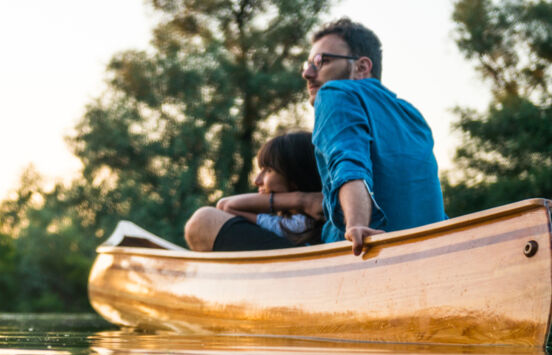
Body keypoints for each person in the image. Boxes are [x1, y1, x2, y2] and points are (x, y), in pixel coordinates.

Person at [303, 17, 447, 255]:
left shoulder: (334, 92)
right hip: (428, 251)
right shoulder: (412, 115)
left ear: (361, 67)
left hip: (361, 254)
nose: (308, 73)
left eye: (321, 61)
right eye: (307, 64)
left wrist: (357, 224)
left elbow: (348, 162)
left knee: (217, 219)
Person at [184, 132, 326, 251]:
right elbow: (224, 206)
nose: (257, 181)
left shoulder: (305, 223)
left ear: (296, 178)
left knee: (205, 219)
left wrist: (300, 200)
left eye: (269, 170)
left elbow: (225, 206)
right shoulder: (286, 223)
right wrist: (301, 199)